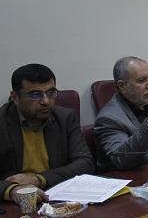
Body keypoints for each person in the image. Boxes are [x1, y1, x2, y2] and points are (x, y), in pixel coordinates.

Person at [0, 64, 94, 204]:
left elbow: (85, 162)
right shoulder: (2, 122)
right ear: (15, 97)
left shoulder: (65, 118)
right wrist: (12, 190)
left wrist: (39, 179)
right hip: (15, 204)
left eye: (51, 93)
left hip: (57, 197)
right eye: (35, 95)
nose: (46, 101)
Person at [94, 57, 148, 171]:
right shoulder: (108, 119)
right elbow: (121, 160)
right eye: (141, 80)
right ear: (122, 86)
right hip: (131, 177)